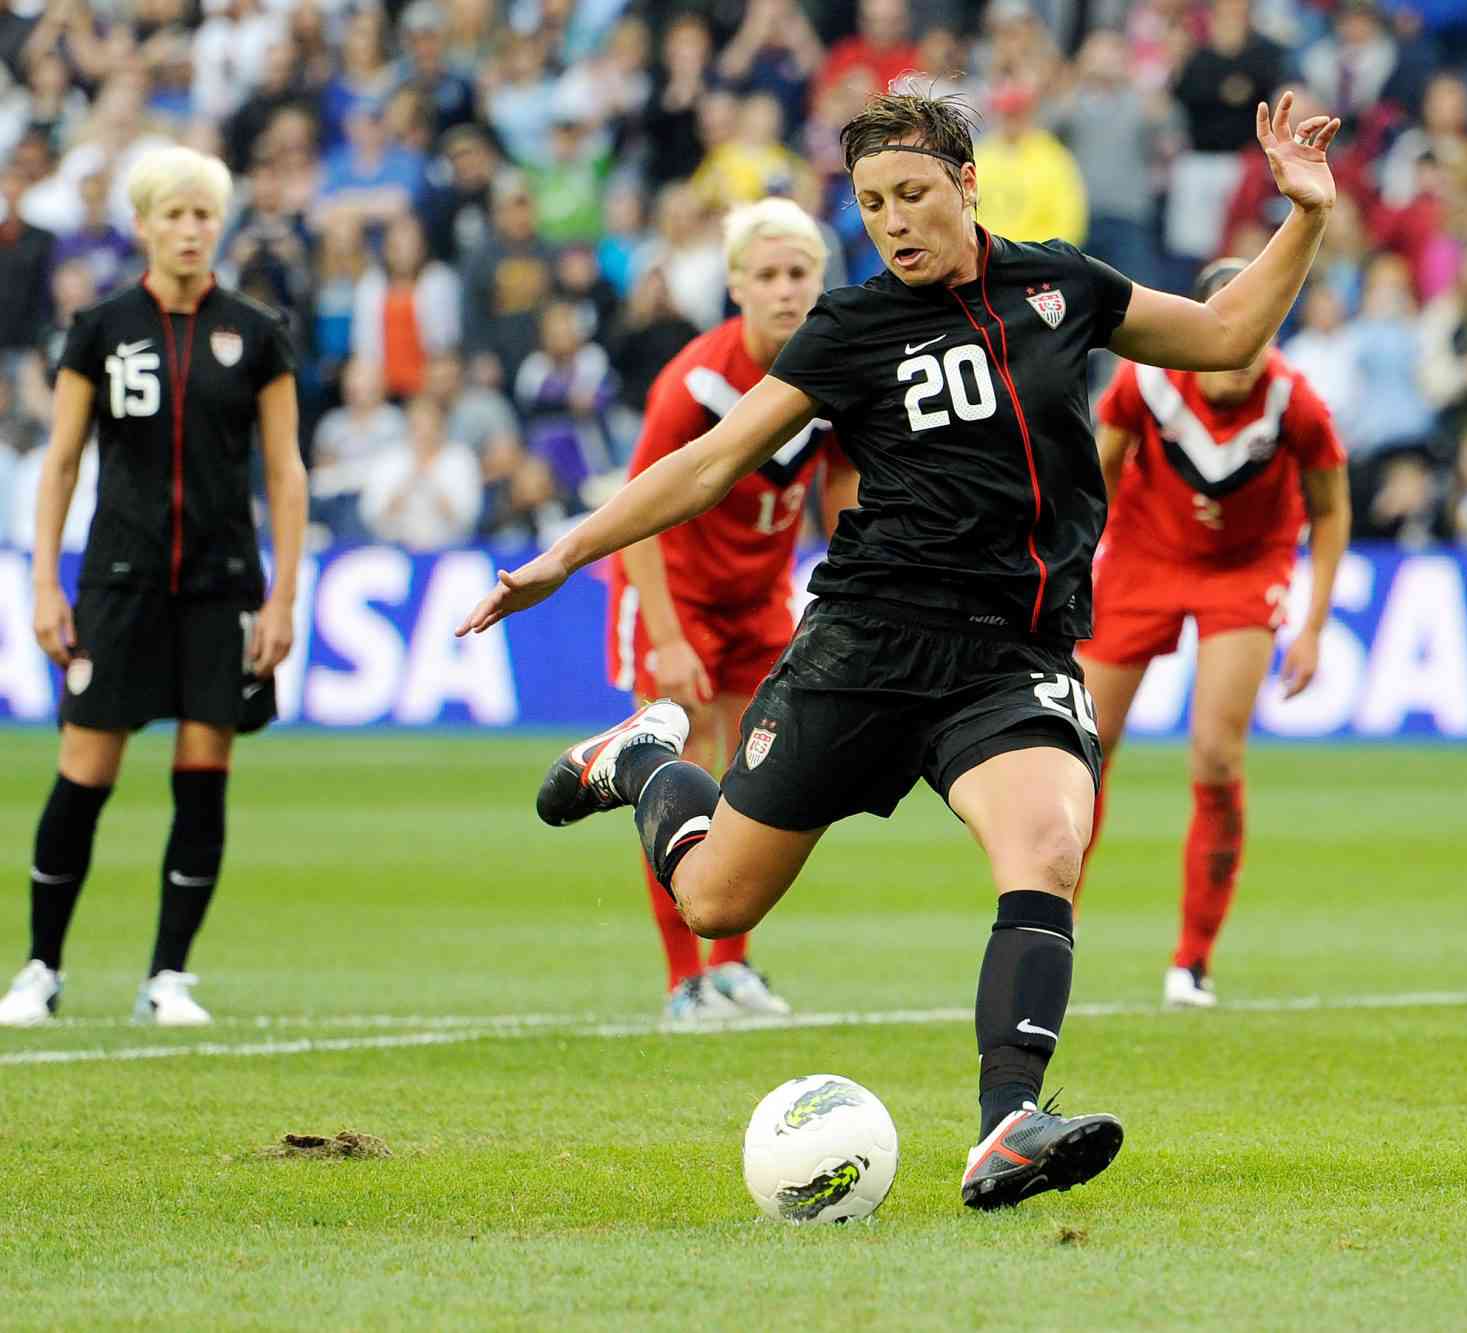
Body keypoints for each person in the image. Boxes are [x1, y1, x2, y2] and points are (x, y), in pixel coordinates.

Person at [459, 91, 1341, 1208]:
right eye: (872, 203)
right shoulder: (849, 328)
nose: (892, 221)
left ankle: (1007, 1122)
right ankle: (640, 762)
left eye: (913, 195)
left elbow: (1223, 335)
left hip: (1009, 652)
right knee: (718, 905)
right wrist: (566, 553)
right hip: (864, 649)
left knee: (1047, 845)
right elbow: (707, 463)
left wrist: (1300, 217)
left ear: (968, 185)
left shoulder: (1059, 285)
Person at [0, 145, 305, 1028]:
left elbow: (284, 472)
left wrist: (282, 596)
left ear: (220, 225)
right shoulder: (98, 328)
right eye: (172, 213)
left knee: (203, 773)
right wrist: (44, 584)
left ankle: (167, 976)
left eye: (203, 214)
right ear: (142, 225)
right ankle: (40, 969)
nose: (189, 228)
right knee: (83, 773)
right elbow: (59, 465)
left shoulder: (256, 331)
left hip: (220, 587)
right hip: (118, 584)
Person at [605, 199, 858, 1028]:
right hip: (673, 592)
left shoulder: (828, 371)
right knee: (689, 773)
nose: (788, 291)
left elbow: (843, 487)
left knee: (761, 776)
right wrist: (669, 636)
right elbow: (637, 508)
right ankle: (685, 982)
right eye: (769, 276)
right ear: (736, 287)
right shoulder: (696, 383)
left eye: (801, 274)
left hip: (759, 597)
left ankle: (734, 966)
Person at [1074, 257, 1349, 1008]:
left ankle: (1191, 959)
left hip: (1244, 568)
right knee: (1083, 751)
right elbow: (1095, 474)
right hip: (1141, 559)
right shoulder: (1146, 380)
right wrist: (1070, 567)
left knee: (1217, 755)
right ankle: (1049, 927)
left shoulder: (1295, 401)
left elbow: (1330, 509)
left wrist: (1314, 626)